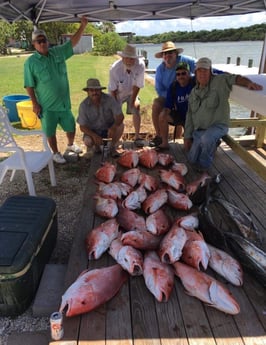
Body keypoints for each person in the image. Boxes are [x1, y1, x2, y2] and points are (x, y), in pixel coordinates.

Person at [24, 16, 88, 164]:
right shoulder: (30, 63)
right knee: (50, 131)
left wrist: (83, 26)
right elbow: (29, 85)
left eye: (44, 40)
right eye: (38, 41)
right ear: (34, 44)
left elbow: (73, 42)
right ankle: (55, 152)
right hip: (47, 106)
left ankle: (71, 145)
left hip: (64, 103)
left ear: (48, 41)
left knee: (71, 125)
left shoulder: (58, 52)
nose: (42, 43)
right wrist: (35, 103)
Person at [184, 57, 263, 172]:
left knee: (206, 141)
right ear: (195, 73)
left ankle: (205, 168)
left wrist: (249, 83)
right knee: (191, 159)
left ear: (210, 71)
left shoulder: (220, 81)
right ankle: (212, 143)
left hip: (218, 125)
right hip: (199, 130)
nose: (202, 73)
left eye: (205, 70)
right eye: (199, 70)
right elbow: (189, 116)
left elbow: (236, 78)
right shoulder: (193, 93)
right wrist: (187, 137)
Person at [150, 41, 196, 147]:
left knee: (189, 146)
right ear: (162, 56)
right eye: (165, 53)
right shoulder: (160, 69)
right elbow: (159, 89)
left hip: (187, 99)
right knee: (157, 104)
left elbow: (201, 67)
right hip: (169, 95)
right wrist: (172, 97)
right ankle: (160, 136)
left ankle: (182, 137)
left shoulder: (186, 60)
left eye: (170, 52)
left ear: (176, 53)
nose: (167, 55)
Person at [108, 44, 145, 147]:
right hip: (117, 94)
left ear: (135, 58)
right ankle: (117, 139)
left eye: (132, 58)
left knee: (136, 107)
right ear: (122, 57)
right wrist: (116, 109)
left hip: (131, 92)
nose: (129, 61)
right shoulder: (114, 69)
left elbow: (138, 85)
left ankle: (137, 137)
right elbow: (113, 90)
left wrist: (133, 101)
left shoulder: (141, 65)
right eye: (127, 58)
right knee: (117, 116)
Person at [77, 78, 124, 157]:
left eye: (97, 90)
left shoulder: (110, 99)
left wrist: (114, 126)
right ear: (87, 92)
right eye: (91, 91)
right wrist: (94, 135)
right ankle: (96, 147)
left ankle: (112, 147)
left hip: (109, 130)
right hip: (94, 131)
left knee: (121, 126)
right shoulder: (83, 105)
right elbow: (82, 127)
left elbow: (120, 116)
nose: (94, 93)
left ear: (101, 90)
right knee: (88, 141)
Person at [156, 62, 195, 149]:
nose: (181, 76)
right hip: (180, 116)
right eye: (178, 74)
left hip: (194, 119)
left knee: (188, 148)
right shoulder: (173, 86)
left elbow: (207, 73)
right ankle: (165, 143)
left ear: (189, 73)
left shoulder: (195, 83)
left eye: (183, 73)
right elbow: (168, 106)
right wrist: (164, 112)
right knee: (162, 115)